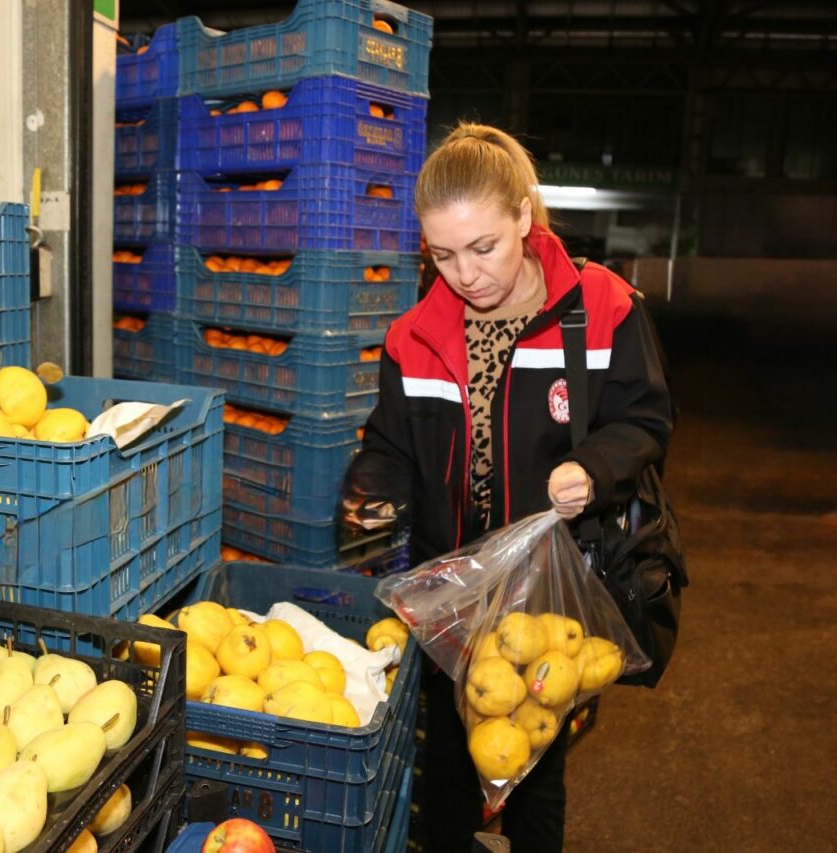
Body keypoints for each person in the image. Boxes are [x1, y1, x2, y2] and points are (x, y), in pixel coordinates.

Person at [341, 123, 674, 852]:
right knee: (447, 766)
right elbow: (391, 440)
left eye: (484, 246)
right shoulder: (414, 335)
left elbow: (644, 418)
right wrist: (374, 485)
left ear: (524, 215)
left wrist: (594, 467)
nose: (465, 273)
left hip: (547, 590)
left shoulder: (602, 308)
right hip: (452, 590)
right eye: (442, 254)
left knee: (535, 765)